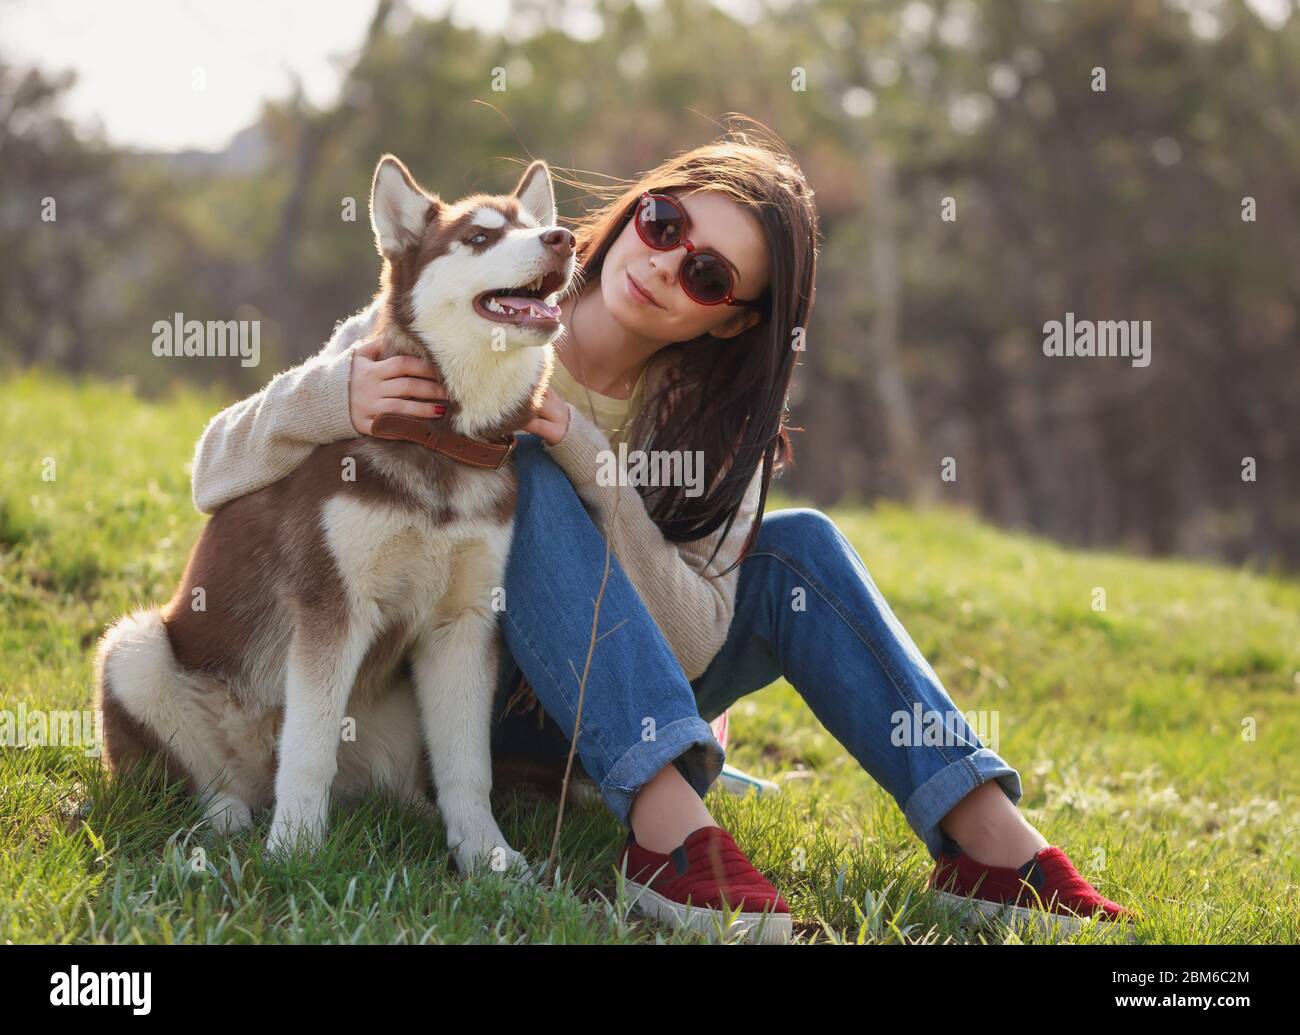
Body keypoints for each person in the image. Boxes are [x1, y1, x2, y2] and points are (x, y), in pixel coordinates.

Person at [189, 124, 1135, 943]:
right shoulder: (461, 305)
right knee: (528, 481)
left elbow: (693, 638)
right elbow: (213, 469)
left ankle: (993, 848)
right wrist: (331, 394)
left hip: (622, 692)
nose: (666, 265)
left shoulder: (724, 433)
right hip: (461, 688)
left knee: (802, 547)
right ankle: (665, 837)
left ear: (732, 322)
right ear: (641, 205)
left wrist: (595, 463)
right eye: (666, 224)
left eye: (709, 276)